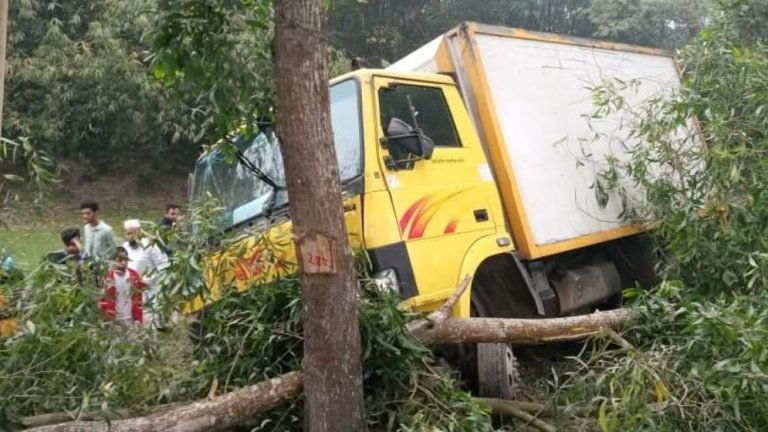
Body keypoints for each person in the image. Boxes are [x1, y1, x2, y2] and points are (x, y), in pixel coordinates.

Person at [122, 219, 169, 327]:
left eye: (131, 233)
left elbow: (164, 264)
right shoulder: (124, 247)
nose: (128, 236)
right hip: (132, 288)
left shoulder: (150, 245)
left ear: (138, 231)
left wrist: (147, 279)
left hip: (149, 289)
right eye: (126, 233)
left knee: (150, 318)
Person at [100, 247, 143, 327]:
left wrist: (139, 319)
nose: (123, 263)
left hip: (132, 318)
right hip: (115, 320)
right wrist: (106, 320)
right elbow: (102, 300)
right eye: (120, 260)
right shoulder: (107, 277)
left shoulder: (134, 275)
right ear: (113, 261)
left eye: (125, 260)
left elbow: (139, 298)